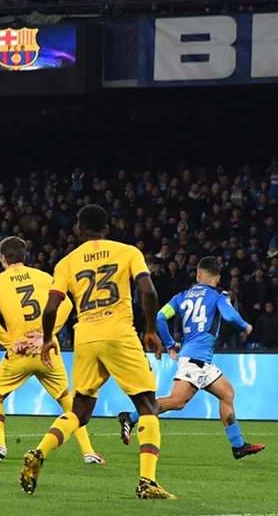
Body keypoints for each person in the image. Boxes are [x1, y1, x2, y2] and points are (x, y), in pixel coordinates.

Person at [19, 205, 174, 499]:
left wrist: (49, 338)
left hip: (86, 337)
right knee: (147, 405)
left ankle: (39, 452)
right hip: (119, 333)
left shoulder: (67, 262)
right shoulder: (128, 252)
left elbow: (50, 308)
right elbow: (148, 290)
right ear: (106, 227)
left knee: (79, 411)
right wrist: (151, 329)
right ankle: (147, 482)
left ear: (79, 229)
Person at [118, 256, 265, 461]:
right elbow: (230, 316)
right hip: (195, 360)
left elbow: (160, 317)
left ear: (198, 274)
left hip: (201, 361)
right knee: (177, 402)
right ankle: (131, 417)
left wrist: (170, 344)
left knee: (227, 393)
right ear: (217, 277)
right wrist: (246, 326)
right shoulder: (218, 295)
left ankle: (238, 445)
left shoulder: (182, 296)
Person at [0, 236, 103, 464]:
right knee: (67, 400)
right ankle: (88, 452)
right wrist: (46, 336)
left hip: (19, 353)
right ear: (25, 256)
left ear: (2, 258)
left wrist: (9, 342)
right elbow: (67, 304)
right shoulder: (43, 277)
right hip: (47, 351)